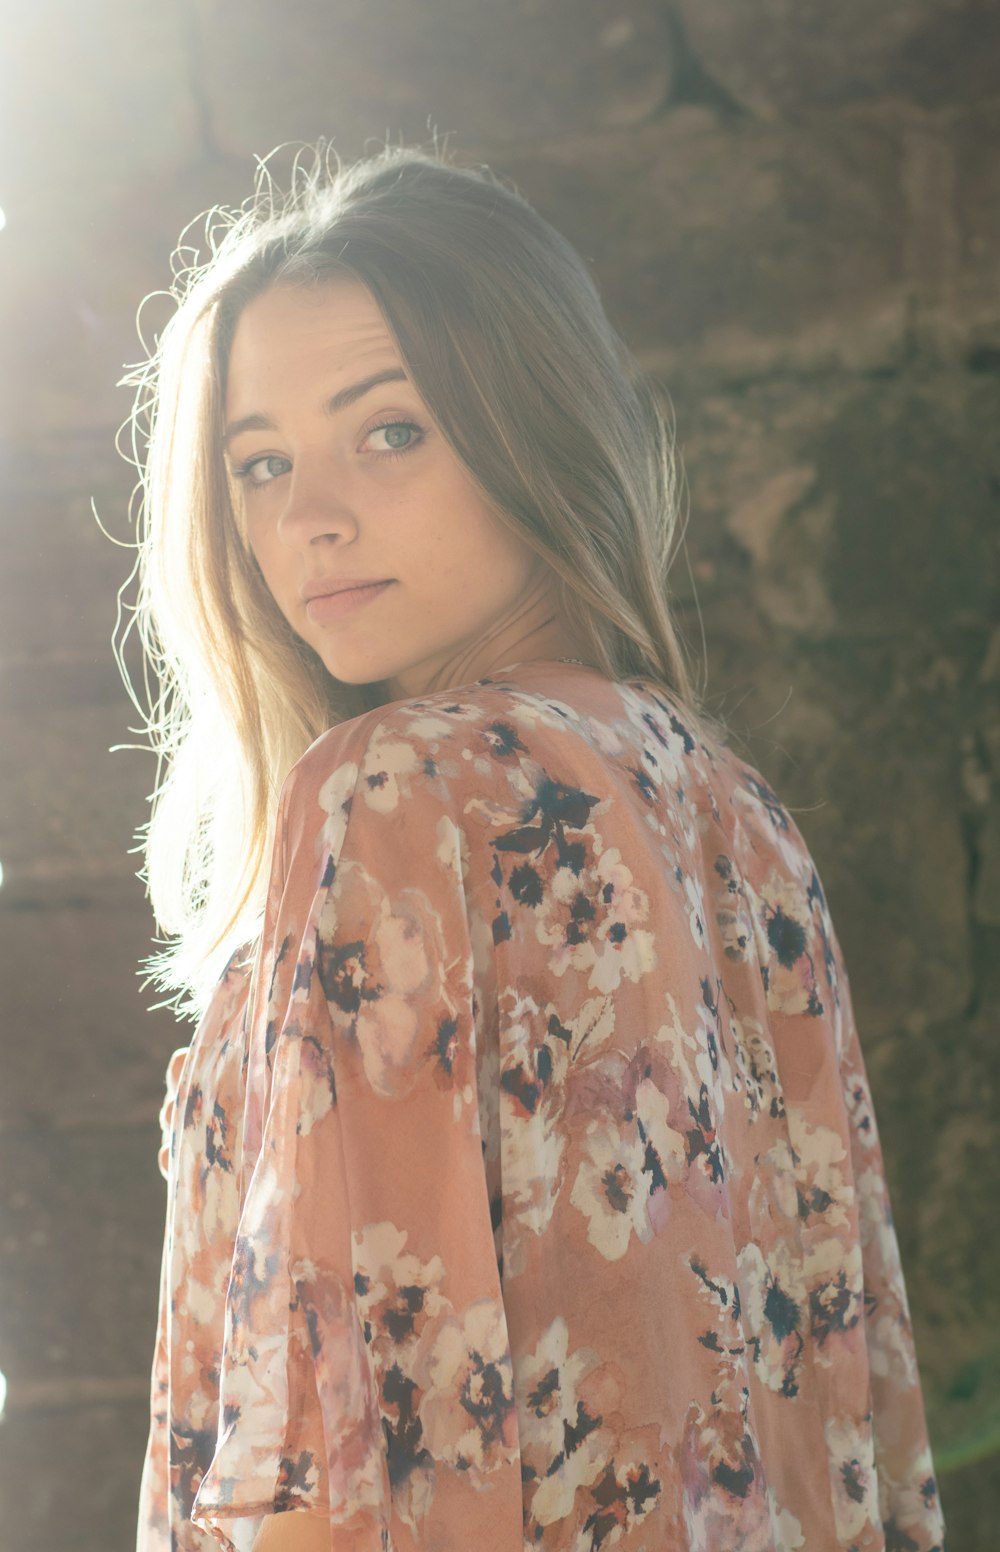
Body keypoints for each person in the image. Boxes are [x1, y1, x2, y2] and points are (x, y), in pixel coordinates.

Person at [127, 142, 945, 1552]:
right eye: (259, 463)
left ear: (534, 429)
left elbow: (345, 1438)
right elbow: (854, 1400)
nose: (308, 515)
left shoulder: (392, 792)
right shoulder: (736, 820)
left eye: (390, 431)